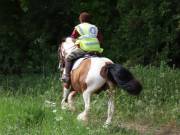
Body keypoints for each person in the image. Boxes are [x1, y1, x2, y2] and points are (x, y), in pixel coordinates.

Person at [61, 12, 103, 84]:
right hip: (96, 50)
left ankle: (67, 77)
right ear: (89, 20)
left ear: (80, 20)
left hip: (84, 49)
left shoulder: (79, 27)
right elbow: (101, 39)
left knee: (68, 58)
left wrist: (77, 42)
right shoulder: (94, 27)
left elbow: (73, 38)